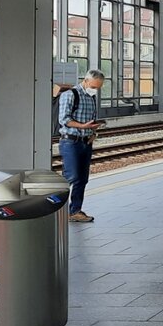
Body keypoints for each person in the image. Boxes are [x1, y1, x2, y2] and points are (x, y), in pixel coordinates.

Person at [57, 69, 105, 223]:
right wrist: (83, 126)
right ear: (85, 81)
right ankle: (54, 208)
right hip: (70, 141)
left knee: (82, 179)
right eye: (93, 86)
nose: (95, 90)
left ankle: (75, 211)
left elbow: (91, 119)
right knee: (71, 176)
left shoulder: (91, 97)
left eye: (98, 88)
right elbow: (64, 119)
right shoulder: (70, 95)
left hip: (85, 142)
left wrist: (93, 132)